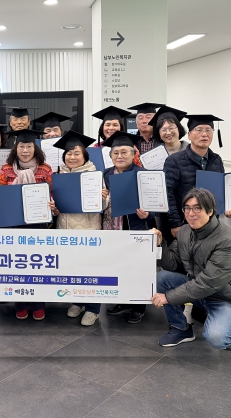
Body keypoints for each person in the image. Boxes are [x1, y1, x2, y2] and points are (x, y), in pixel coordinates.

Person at [150, 188, 231, 350]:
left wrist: (168, 297)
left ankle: (229, 337)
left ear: (210, 211)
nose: (191, 213)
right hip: (201, 291)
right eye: (187, 208)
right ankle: (180, 328)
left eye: (197, 208)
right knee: (163, 278)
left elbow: (207, 283)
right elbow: (173, 264)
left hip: (228, 298)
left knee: (217, 338)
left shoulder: (226, 241)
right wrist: (160, 244)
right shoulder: (185, 232)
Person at [0, 129, 53, 321]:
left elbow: (51, 192)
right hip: (13, 224)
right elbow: (0, 194)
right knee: (17, 265)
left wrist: (50, 202)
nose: (25, 150)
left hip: (37, 225)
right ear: (15, 148)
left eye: (29, 146)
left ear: (35, 148)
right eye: (21, 146)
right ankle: (20, 304)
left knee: (37, 265)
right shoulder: (6, 169)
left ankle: (38, 304)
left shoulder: (45, 169)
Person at [48, 131, 102, 326]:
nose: (72, 157)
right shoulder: (58, 176)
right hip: (65, 229)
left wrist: (103, 198)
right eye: (69, 154)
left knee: (90, 269)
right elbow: (57, 205)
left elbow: (104, 205)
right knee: (73, 268)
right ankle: (78, 302)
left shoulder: (94, 175)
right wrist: (54, 209)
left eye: (76, 153)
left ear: (85, 155)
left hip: (88, 229)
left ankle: (93, 308)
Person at [100, 131, 153, 323]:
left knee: (137, 268)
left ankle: (138, 306)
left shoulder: (142, 174)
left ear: (133, 154)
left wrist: (148, 214)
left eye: (124, 152)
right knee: (118, 267)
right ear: (110, 155)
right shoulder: (106, 174)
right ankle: (123, 301)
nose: (119, 156)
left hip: (134, 227)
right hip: (112, 228)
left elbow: (155, 204)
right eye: (115, 153)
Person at [163, 114, 231, 240]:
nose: (204, 134)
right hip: (185, 224)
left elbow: (221, 189)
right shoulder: (174, 161)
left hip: (210, 225)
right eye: (199, 130)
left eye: (208, 130)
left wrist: (228, 207)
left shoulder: (216, 159)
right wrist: (175, 224)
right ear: (189, 135)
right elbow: (168, 194)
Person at [148, 106, 189, 245]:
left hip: (188, 209)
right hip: (163, 212)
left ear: (179, 129)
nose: (168, 132)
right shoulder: (151, 158)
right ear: (158, 133)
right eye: (163, 129)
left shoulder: (191, 151)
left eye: (171, 128)